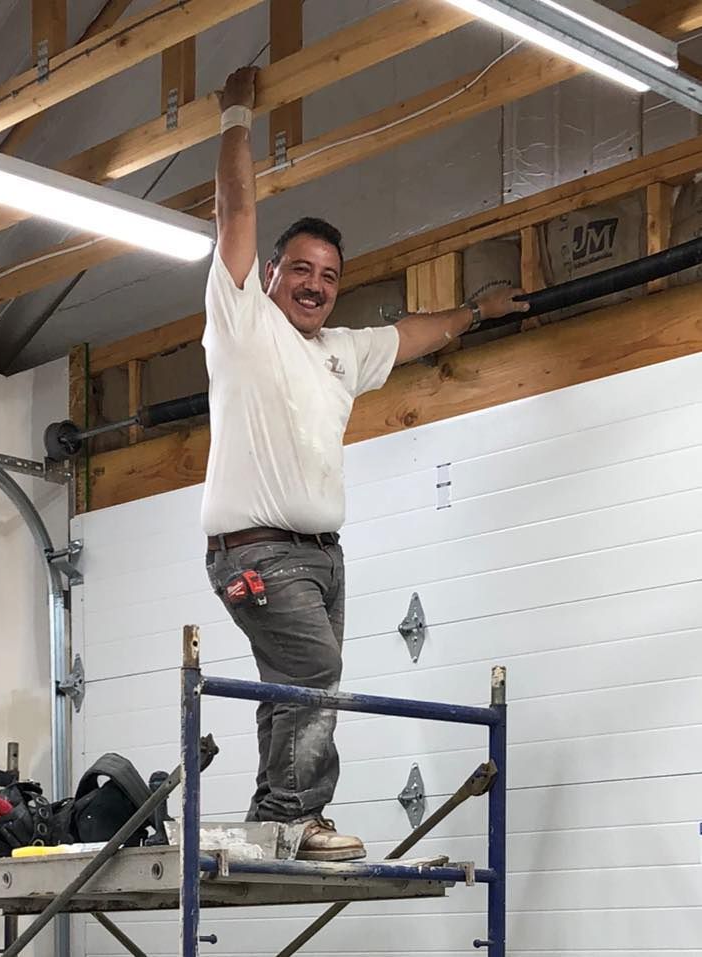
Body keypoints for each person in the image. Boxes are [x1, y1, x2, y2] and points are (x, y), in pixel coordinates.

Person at [201, 66, 528, 862]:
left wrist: (473, 312)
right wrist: (237, 116)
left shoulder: (340, 352)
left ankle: (271, 818)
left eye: (328, 276)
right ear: (270, 274)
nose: (314, 285)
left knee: (291, 687)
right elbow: (235, 210)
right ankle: (295, 817)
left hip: (322, 556)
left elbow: (411, 335)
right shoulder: (243, 322)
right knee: (315, 670)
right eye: (299, 269)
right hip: (256, 550)